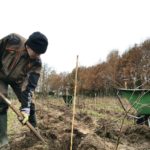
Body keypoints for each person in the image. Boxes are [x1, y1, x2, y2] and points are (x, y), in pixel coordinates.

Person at [0, 31, 48, 147]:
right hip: (0, 75)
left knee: (30, 104)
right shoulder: (13, 40)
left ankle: (34, 130)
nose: (38, 56)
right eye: (36, 52)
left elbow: (30, 87)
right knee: (1, 103)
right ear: (29, 45)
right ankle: (3, 141)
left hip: (19, 81)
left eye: (40, 54)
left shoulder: (36, 62)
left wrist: (25, 108)